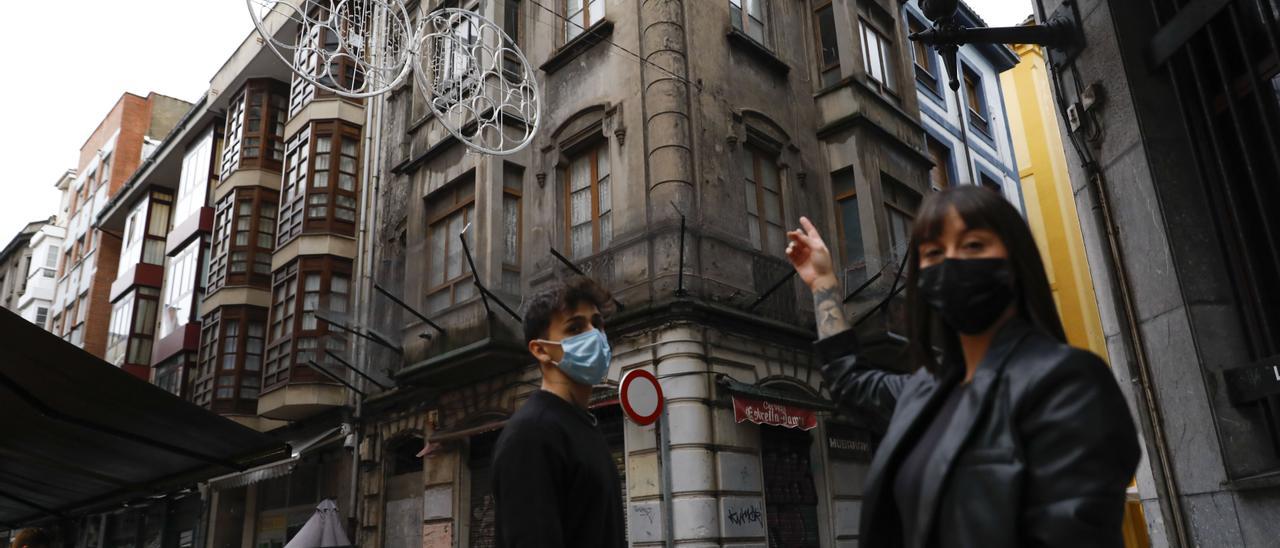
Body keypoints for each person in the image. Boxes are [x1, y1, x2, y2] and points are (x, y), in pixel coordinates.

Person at [785, 186, 1140, 547]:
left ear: (1015, 262)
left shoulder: (1068, 384)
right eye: (934, 252)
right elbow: (849, 382)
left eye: (973, 245)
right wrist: (823, 284)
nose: (951, 262)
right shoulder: (924, 391)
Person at [491, 276, 625, 548]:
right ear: (540, 350)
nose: (594, 335)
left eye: (597, 324)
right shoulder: (532, 434)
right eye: (575, 328)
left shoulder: (584, 425)